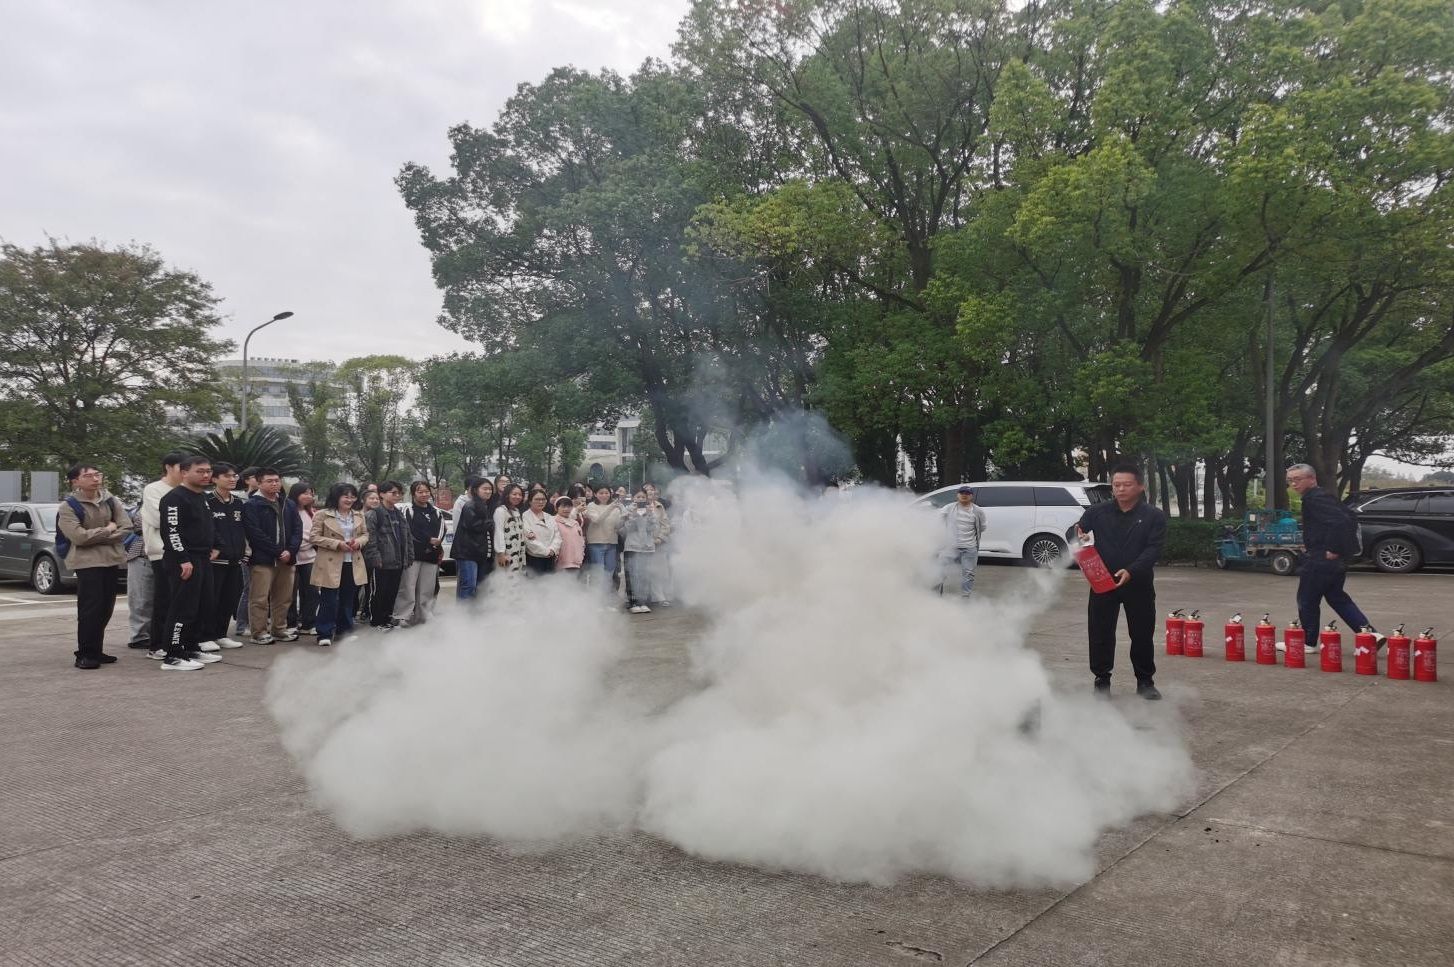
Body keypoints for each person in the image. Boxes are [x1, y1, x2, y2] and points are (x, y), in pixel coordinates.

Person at [1076, 463, 1168, 700]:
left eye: (1127, 485)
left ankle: (1145, 682)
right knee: (1100, 633)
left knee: (1142, 634)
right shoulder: (1097, 512)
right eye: (1116, 485)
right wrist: (1079, 535)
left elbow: (1153, 549)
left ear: (1140, 486)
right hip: (1102, 582)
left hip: (1138, 583)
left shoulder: (1153, 516)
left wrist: (1132, 570)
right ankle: (1101, 680)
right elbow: (1075, 531)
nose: (1120, 489)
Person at [1285, 464, 1386, 652]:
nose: (1293, 484)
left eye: (1297, 479)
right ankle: (1370, 635)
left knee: (1307, 599)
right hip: (1331, 559)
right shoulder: (1323, 496)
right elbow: (1349, 517)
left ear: (1312, 479)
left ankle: (1307, 642)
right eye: (1290, 480)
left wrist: (1333, 548)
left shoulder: (1315, 498)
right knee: (1337, 598)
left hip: (1321, 558)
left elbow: (1342, 521)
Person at [56, 464, 132, 669]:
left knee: (106, 607)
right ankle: (85, 654)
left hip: (111, 559)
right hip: (86, 562)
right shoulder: (68, 506)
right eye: (88, 476)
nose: (95, 479)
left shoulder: (110, 500)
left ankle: (96, 650)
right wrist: (108, 530)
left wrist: (100, 535)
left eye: (97, 474)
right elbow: (78, 537)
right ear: (75, 481)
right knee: (90, 608)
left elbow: (126, 527)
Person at [153, 456, 222, 670]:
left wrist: (216, 545)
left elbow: (208, 525)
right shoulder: (174, 498)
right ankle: (173, 655)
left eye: (208, 471)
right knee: (183, 607)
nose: (206, 475)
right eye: (200, 471)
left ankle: (191, 647)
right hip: (183, 559)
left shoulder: (202, 497)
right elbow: (171, 531)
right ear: (184, 473)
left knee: (202, 606)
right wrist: (183, 559)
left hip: (202, 558)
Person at [243, 468, 301, 644]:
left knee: (284, 598)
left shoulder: (288, 503)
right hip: (263, 559)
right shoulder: (252, 505)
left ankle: (279, 629)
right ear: (259, 483)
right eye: (269, 481)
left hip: (287, 559)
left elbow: (297, 529)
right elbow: (254, 533)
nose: (274, 484)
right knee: (259, 598)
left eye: (277, 480)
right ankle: (258, 633)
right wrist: (277, 551)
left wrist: (290, 550)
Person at [142, 452, 191, 657]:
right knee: (165, 599)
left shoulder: (188, 490)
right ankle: (157, 645)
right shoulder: (153, 489)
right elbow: (159, 519)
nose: (185, 472)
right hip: (162, 552)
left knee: (183, 601)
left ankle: (179, 642)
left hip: (186, 553)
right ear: (169, 467)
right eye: (182, 468)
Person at [310, 483, 369, 647]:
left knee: (347, 599)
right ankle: (324, 633)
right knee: (328, 599)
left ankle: (345, 631)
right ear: (336, 497)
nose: (349, 500)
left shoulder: (358, 515)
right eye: (345, 496)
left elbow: (365, 534)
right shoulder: (323, 514)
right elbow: (314, 537)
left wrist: (358, 542)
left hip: (352, 561)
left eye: (352, 496)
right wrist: (337, 544)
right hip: (330, 562)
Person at [201, 463, 247, 649]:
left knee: (229, 599)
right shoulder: (207, 501)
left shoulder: (238, 503)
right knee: (211, 599)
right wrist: (216, 547)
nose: (232, 479)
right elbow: (207, 528)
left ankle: (221, 634)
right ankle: (205, 636)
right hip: (215, 560)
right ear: (214, 479)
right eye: (227, 476)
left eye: (234, 475)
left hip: (235, 560)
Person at [394, 481, 447, 626]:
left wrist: (437, 541)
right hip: (413, 554)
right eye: (420, 492)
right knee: (408, 586)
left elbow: (442, 529)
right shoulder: (408, 510)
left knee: (427, 587)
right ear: (413, 494)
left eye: (426, 491)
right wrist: (428, 539)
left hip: (431, 554)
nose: (424, 494)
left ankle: (424, 614)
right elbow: (409, 529)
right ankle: (402, 615)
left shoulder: (436, 511)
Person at [364, 481, 407, 629]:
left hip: (397, 560)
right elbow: (370, 539)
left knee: (392, 592)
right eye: (393, 493)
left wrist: (407, 556)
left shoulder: (399, 513)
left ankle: (387, 619)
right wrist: (375, 558)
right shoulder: (374, 514)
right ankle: (376, 621)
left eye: (399, 493)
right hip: (381, 561)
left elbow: (405, 537)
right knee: (378, 592)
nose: (397, 496)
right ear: (381, 494)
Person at [938, 485, 987, 598]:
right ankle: (936, 594)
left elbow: (983, 527)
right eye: (962, 493)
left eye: (967, 493)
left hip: (969, 547)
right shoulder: (948, 508)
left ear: (971, 496)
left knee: (968, 573)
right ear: (957, 495)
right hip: (950, 547)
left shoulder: (978, 511)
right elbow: (939, 521)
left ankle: (965, 596)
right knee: (939, 570)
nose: (964, 495)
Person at [451, 477, 496, 599]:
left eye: (490, 489)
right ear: (476, 490)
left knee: (480, 587)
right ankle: (464, 611)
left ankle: (476, 611)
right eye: (485, 489)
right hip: (468, 552)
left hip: (482, 552)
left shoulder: (486, 506)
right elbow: (474, 525)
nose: (488, 491)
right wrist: (491, 523)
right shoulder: (470, 505)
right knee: (468, 586)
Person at [621, 490, 663, 613]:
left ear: (646, 498)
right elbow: (627, 528)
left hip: (647, 547)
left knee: (645, 574)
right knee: (632, 575)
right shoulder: (628, 510)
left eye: (643, 497)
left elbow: (654, 528)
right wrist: (634, 515)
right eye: (638, 496)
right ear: (633, 498)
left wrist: (649, 515)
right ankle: (633, 602)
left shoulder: (651, 510)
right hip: (632, 546)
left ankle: (643, 602)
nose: (640, 499)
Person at [287, 482, 319, 635]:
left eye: (311, 493)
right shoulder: (288, 510)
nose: (309, 496)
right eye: (305, 493)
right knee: (290, 593)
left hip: (310, 557)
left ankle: (308, 623)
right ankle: (290, 623)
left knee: (311, 592)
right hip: (292, 557)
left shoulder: (311, 512)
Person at [233, 467, 261, 638]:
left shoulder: (268, 499)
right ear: (247, 480)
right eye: (255, 477)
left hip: (263, 550)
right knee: (248, 588)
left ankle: (256, 622)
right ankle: (242, 625)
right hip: (246, 550)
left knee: (260, 590)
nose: (259, 480)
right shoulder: (238, 499)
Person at [582, 484, 623, 595]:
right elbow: (597, 520)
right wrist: (611, 507)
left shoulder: (616, 507)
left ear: (610, 494)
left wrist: (624, 517)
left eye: (606, 493)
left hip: (612, 543)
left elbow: (618, 526)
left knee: (609, 571)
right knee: (598, 572)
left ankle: (606, 597)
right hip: (596, 543)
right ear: (595, 494)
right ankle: (596, 598)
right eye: (601, 493)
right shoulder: (591, 506)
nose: (604, 495)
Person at [123, 502, 151, 650]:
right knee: (140, 599)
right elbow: (140, 524)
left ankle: (151, 634)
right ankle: (139, 636)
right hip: (140, 555)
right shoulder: (144, 507)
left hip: (159, 557)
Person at [521, 489, 562, 576]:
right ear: (530, 501)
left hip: (551, 557)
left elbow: (557, 536)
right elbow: (529, 540)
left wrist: (552, 549)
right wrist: (546, 551)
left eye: (543, 499)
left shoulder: (549, 517)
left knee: (550, 582)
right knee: (535, 582)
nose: (541, 502)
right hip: (534, 558)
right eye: (537, 499)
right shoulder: (525, 517)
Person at [356, 489, 382, 621]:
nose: (375, 501)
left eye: (377, 498)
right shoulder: (357, 515)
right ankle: (356, 611)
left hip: (372, 555)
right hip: (358, 554)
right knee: (357, 585)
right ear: (363, 500)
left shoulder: (379, 515)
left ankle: (366, 610)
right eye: (372, 498)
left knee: (370, 586)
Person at [493, 483, 527, 575]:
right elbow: (498, 532)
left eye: (520, 495)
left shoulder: (516, 511)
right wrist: (501, 553)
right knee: (506, 577)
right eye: (514, 494)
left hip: (518, 551)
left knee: (517, 577)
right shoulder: (500, 511)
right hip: (506, 552)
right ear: (507, 495)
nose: (517, 497)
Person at [555, 496, 585, 575]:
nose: (566, 509)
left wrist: (581, 555)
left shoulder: (575, 523)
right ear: (556, 508)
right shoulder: (553, 521)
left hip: (576, 561)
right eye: (563, 506)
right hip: (561, 562)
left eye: (569, 506)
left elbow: (581, 541)